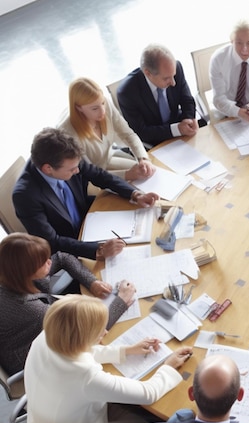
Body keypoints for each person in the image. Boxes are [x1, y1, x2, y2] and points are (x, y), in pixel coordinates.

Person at [25, 296, 192, 423]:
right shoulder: (86, 377)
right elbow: (148, 393)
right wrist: (168, 366)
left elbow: (77, 349)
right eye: (98, 331)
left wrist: (125, 350)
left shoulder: (45, 338)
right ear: (83, 337)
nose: (104, 332)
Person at [13, 127, 158, 260]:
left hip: (92, 220)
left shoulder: (67, 156)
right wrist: (98, 250)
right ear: (47, 169)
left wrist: (135, 194)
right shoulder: (25, 196)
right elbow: (52, 241)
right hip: (71, 248)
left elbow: (99, 176)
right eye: (71, 170)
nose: (77, 171)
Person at [0, 233, 135, 376]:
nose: (49, 262)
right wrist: (121, 301)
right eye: (43, 262)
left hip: (41, 330)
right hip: (34, 364)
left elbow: (62, 257)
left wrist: (92, 282)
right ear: (26, 271)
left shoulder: (13, 276)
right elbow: (86, 332)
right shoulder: (33, 310)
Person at [59, 77, 156, 182]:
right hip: (88, 179)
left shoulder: (104, 104)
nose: (103, 112)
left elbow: (128, 134)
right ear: (78, 108)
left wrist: (143, 158)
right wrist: (126, 175)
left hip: (106, 161)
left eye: (102, 103)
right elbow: (87, 173)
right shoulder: (67, 132)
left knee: (146, 171)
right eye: (95, 108)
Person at [117, 44, 199, 146]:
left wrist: (188, 118)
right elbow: (140, 131)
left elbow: (186, 99)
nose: (173, 83)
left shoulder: (175, 68)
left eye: (173, 76)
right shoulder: (127, 92)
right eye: (166, 78)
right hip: (153, 140)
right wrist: (176, 129)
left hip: (179, 127)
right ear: (148, 73)